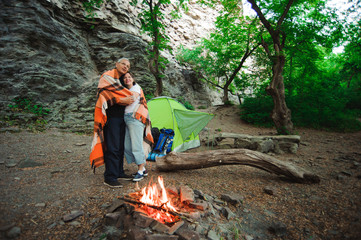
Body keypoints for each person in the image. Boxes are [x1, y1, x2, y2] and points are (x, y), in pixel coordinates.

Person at [90, 58, 135, 188]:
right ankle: (110, 177)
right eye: (123, 64)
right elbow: (103, 96)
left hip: (122, 118)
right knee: (113, 147)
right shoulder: (107, 77)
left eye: (128, 65)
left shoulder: (124, 80)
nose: (126, 67)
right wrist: (121, 100)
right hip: (111, 118)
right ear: (116, 64)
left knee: (120, 146)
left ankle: (119, 172)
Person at [121, 72, 151, 181]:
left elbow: (131, 99)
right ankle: (143, 169)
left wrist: (116, 98)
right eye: (125, 78)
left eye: (129, 77)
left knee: (136, 145)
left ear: (133, 78)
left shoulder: (136, 88)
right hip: (127, 119)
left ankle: (140, 170)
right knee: (127, 146)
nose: (127, 79)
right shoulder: (126, 90)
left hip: (135, 118)